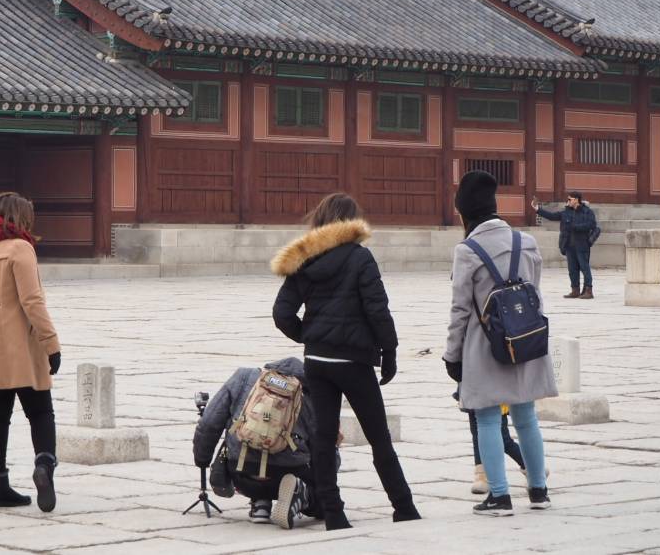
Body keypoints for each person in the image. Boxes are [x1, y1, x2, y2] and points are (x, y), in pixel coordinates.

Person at [272, 192, 421, 531]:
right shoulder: (360, 258)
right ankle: (403, 507)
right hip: (353, 361)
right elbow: (377, 309)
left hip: (318, 361)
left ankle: (334, 514)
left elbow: (282, 313)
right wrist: (390, 352)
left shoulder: (304, 260)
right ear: (352, 222)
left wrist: (308, 335)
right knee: (378, 436)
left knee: (323, 438)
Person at [446, 171, 555, 516]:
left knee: (489, 419)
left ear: (466, 212)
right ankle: (538, 490)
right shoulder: (527, 242)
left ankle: (499, 495)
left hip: (485, 345)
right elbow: (533, 292)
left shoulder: (467, 251)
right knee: (527, 417)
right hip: (526, 337)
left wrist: (452, 355)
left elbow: (461, 310)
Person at [0, 191, 61, 511]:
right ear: (21, 218)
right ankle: (44, 466)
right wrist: (51, 344)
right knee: (41, 412)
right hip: (20, 347)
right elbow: (32, 302)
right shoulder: (21, 249)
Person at [192, 357, 322, 529]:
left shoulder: (244, 376)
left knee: (249, 445)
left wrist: (202, 460)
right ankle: (301, 492)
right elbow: (322, 443)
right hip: (287, 472)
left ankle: (260, 502)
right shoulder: (309, 390)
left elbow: (209, 423)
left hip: (242, 474)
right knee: (324, 506)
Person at [531, 191, 599, 299]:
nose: (568, 201)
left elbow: (591, 225)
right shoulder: (566, 212)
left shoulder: (587, 212)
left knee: (584, 268)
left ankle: (588, 290)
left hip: (582, 245)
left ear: (576, 200)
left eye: (570, 199)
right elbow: (552, 216)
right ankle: (575, 290)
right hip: (569, 245)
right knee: (572, 269)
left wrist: (576, 227)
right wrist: (537, 209)